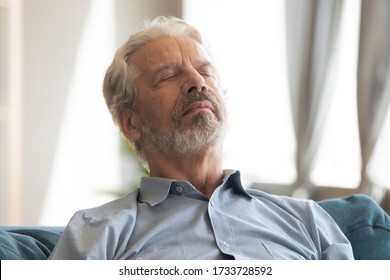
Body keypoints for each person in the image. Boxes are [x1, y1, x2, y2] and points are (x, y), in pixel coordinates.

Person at [49, 16, 354, 260]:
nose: (197, 83)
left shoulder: (307, 220)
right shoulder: (98, 231)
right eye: (168, 76)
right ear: (130, 123)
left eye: (205, 72)